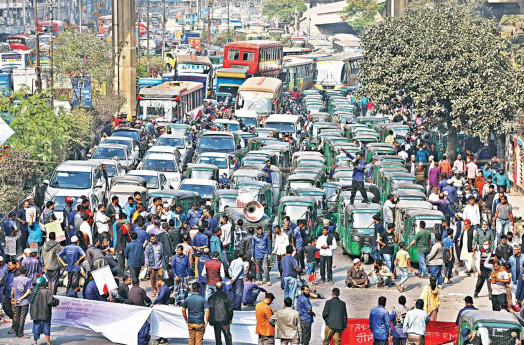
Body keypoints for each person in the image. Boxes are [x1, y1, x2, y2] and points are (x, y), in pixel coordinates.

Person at [30, 277, 59, 345]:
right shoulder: (47, 291)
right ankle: (48, 342)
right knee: (46, 327)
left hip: (35, 313)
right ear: (44, 283)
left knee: (36, 326)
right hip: (45, 313)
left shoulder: (33, 291)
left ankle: (35, 342)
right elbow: (51, 302)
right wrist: (57, 301)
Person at [11, 266, 32, 338]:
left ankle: (17, 332)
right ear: (26, 272)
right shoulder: (28, 280)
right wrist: (21, 298)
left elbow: (13, 289)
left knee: (17, 316)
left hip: (16, 300)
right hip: (24, 301)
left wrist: (12, 297)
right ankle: (20, 333)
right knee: (22, 317)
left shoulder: (15, 279)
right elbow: (28, 292)